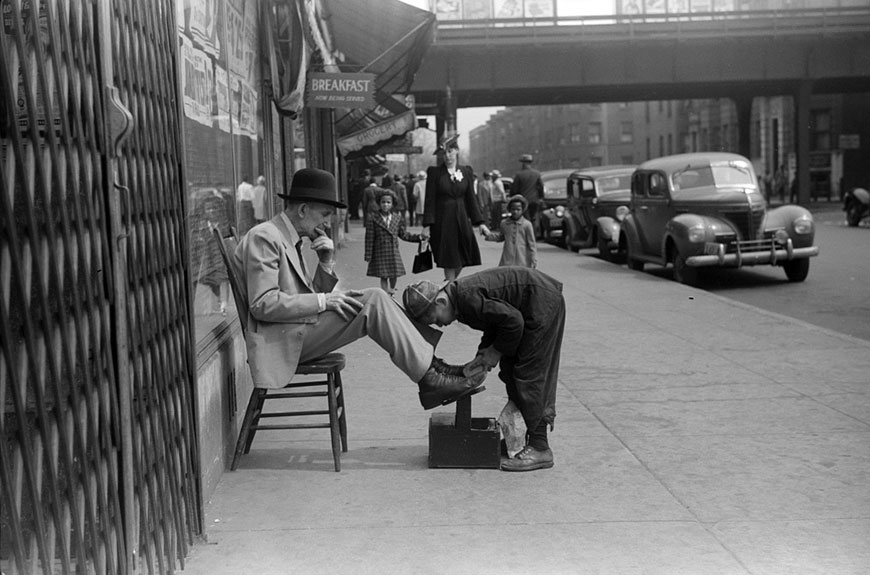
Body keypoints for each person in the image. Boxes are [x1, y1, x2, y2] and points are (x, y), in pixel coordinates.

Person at [233, 168, 484, 410]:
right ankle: (430, 376)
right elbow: (263, 305)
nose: (327, 222)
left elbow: (305, 298)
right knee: (374, 300)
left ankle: (431, 368)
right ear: (302, 209)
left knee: (375, 296)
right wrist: (324, 301)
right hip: (280, 341)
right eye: (324, 214)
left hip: (295, 330)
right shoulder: (265, 237)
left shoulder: (286, 237)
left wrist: (326, 262)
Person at [402, 266, 566, 471]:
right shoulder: (459, 302)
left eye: (435, 319)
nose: (439, 325)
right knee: (509, 372)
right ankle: (518, 441)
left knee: (529, 375)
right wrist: (483, 355)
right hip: (534, 305)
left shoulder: (466, 299)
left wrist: (495, 352)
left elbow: (513, 322)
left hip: (542, 304)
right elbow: (496, 323)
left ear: (441, 301)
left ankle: (540, 447)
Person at [423, 134, 490, 281]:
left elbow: (471, 199)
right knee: (449, 256)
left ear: (457, 151)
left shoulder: (466, 171)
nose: (447, 156)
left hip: (461, 218)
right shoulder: (435, 173)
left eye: (450, 152)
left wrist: (481, 223)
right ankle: (450, 289)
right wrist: (427, 225)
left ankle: (448, 284)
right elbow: (430, 200)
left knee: (466, 253)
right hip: (442, 220)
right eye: (444, 153)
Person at [365, 188, 426, 295]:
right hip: (380, 251)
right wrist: (368, 255)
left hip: (393, 251)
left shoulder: (397, 218)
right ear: (379, 203)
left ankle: (392, 290)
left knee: (394, 274)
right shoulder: (373, 219)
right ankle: (385, 293)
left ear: (392, 204)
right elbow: (369, 238)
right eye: (383, 202)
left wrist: (419, 238)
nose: (385, 205)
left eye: (388, 202)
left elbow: (404, 235)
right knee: (383, 275)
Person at [483, 194, 537, 269]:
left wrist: (533, 259)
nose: (515, 212)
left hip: (522, 260)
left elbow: (532, 244)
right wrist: (488, 235)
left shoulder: (527, 225)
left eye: (518, 209)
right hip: (507, 259)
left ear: (522, 210)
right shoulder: (504, 223)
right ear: (509, 209)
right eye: (513, 209)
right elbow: (501, 237)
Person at [512, 154, 544, 236]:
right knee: (534, 218)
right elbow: (541, 187)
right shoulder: (537, 174)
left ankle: (527, 235)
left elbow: (515, 189)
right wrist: (541, 197)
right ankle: (534, 235)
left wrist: (514, 197)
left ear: (523, 163)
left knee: (526, 219)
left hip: (524, 200)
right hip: (535, 200)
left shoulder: (519, 175)